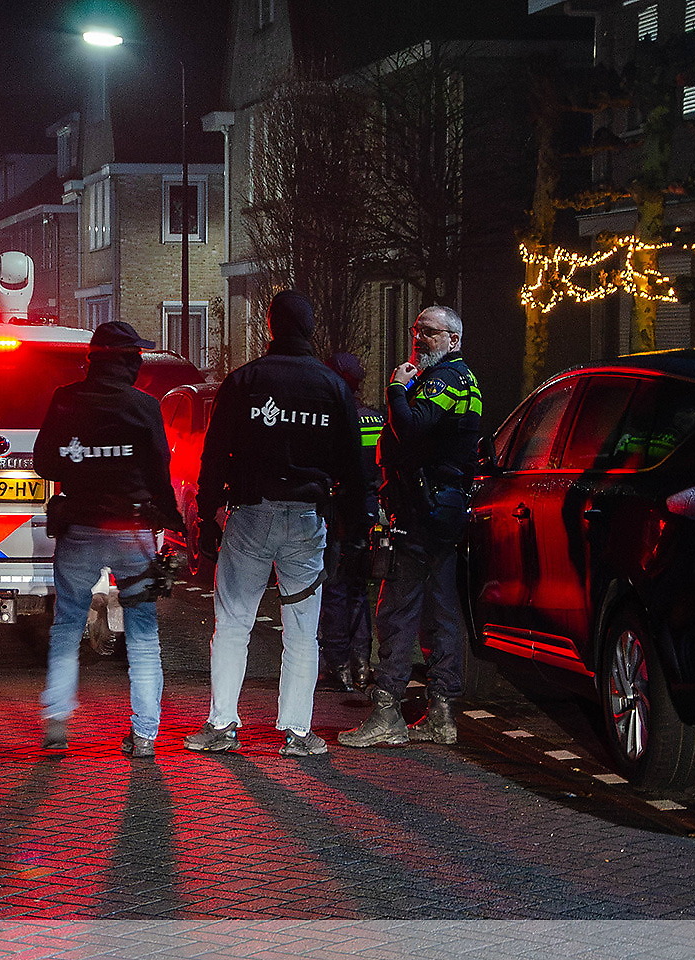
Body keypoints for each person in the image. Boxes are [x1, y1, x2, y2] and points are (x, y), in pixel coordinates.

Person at [184, 290, 365, 757]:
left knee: (233, 622)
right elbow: (354, 464)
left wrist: (206, 515)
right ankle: (299, 732)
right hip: (307, 519)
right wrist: (354, 528)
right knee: (303, 627)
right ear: (310, 329)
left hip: (252, 514)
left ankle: (222, 723)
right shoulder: (332, 387)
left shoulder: (245, 381)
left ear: (269, 326)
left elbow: (214, 454)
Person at [34, 321, 184, 757]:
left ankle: (57, 721)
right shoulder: (144, 406)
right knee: (142, 631)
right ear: (125, 361)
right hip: (132, 531)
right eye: (135, 356)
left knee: (66, 625)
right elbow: (160, 469)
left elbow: (45, 462)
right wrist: (171, 516)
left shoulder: (66, 400)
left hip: (79, 526)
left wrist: (81, 462)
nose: (139, 362)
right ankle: (145, 735)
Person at [339, 305, 481, 749]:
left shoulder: (445, 380)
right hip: (442, 508)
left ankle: (388, 712)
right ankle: (441, 712)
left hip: (422, 513)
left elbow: (411, 428)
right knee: (440, 610)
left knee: (397, 609)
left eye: (431, 334)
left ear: (453, 340)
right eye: (417, 331)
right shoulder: (464, 380)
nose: (420, 339)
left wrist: (397, 390)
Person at [319, 352, 384, 692]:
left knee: (335, 589)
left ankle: (337, 664)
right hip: (370, 512)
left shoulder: (334, 421)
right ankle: (362, 663)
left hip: (339, 512)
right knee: (359, 590)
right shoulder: (375, 419)